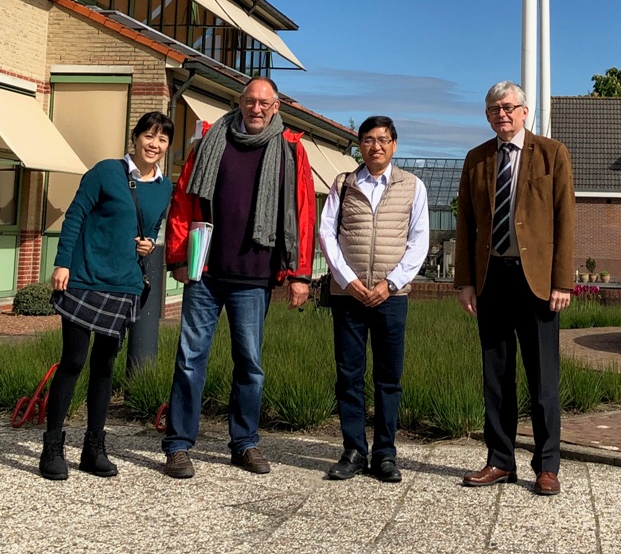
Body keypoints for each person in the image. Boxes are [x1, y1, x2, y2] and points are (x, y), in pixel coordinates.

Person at [162, 76, 315, 479]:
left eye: (265, 102)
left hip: (255, 276)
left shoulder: (291, 150)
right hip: (206, 272)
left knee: (250, 363)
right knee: (190, 360)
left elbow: (302, 212)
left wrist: (301, 274)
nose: (257, 108)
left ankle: (244, 443)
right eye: (250, 101)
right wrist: (178, 255)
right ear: (240, 102)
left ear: (277, 106)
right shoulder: (210, 142)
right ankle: (178, 445)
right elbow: (183, 199)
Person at [40, 110, 174, 481]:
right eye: (149, 136)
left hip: (125, 284)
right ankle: (52, 448)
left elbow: (151, 228)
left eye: (162, 139)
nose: (154, 144)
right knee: (74, 361)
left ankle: (93, 448)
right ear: (135, 138)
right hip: (84, 278)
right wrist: (62, 263)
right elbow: (75, 216)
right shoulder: (105, 172)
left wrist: (148, 244)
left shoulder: (165, 187)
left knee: (105, 367)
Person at [455, 81, 574, 496]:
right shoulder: (476, 159)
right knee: (497, 376)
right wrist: (465, 281)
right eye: (493, 109)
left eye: (508, 107)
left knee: (543, 378)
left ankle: (547, 466)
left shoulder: (551, 154)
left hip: (538, 282)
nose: (501, 115)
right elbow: (465, 225)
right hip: (492, 280)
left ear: (525, 111)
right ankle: (500, 461)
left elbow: (565, 220)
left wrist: (562, 280)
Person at [319, 116, 429, 483]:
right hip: (348, 295)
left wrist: (391, 283)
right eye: (368, 139)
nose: (375, 146)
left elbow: (419, 241)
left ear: (394, 145)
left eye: (383, 139)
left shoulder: (412, 186)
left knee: (388, 377)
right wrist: (347, 280)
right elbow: (327, 233)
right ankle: (352, 450)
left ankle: (385, 453)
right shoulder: (343, 183)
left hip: (391, 297)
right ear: (360, 145)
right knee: (349, 375)